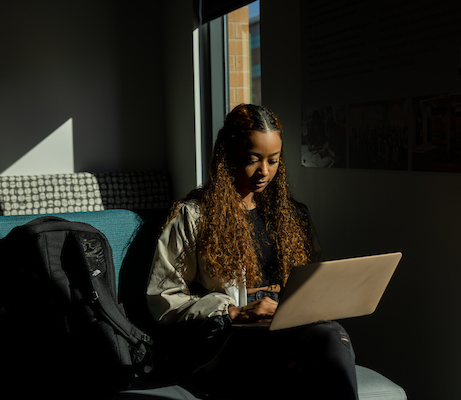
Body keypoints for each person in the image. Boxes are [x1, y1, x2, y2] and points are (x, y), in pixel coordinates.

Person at [146, 104, 358, 399]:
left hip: (285, 321)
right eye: (252, 160)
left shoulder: (293, 215)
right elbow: (163, 300)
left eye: (273, 161)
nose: (264, 172)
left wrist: (306, 304)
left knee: (333, 336)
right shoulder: (193, 216)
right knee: (285, 361)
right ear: (227, 155)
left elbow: (311, 281)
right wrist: (232, 311)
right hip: (229, 332)